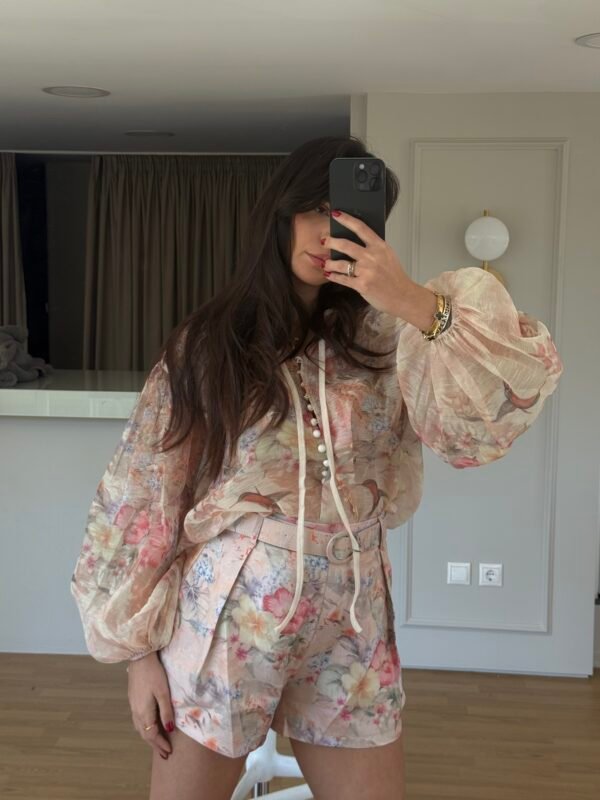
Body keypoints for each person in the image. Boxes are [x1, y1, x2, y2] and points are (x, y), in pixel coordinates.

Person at [70, 135, 563, 800]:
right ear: (281, 214)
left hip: (356, 612)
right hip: (232, 611)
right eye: (315, 209)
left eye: (348, 214)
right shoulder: (211, 344)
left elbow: (512, 391)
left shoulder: (392, 338)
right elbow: (142, 494)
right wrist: (137, 657)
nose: (328, 230)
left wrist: (410, 299)